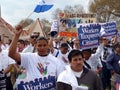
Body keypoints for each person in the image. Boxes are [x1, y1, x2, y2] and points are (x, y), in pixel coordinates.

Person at [8, 25, 62, 89]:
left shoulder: (55, 61)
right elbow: (11, 54)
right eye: (39, 45)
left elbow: (60, 82)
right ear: (35, 46)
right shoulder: (28, 57)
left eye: (44, 45)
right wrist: (16, 35)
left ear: (48, 46)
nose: (42, 48)